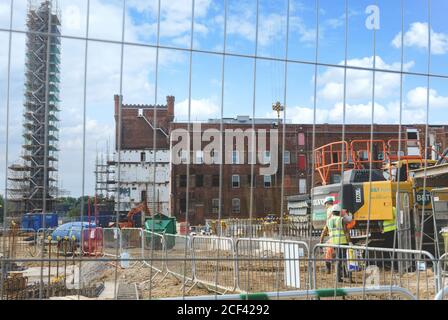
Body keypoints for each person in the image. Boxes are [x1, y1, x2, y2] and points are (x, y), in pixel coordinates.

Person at [320, 204, 352, 282]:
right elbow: (346, 232)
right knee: (344, 259)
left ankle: (341, 276)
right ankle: (343, 276)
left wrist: (321, 241)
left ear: (332, 212)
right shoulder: (341, 220)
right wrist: (350, 241)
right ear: (339, 212)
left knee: (338, 259)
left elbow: (324, 232)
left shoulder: (329, 221)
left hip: (334, 243)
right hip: (343, 242)